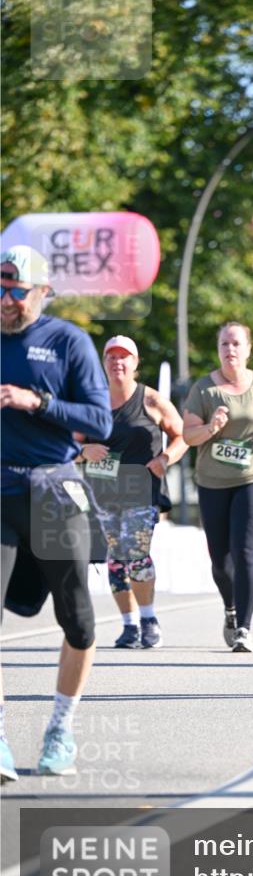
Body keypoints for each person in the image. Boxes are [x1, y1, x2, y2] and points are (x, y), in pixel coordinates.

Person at [1, 245, 112, 780]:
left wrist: (36, 402)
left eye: (17, 290)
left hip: (52, 493)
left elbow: (100, 421)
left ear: (43, 292)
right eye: (0, 288)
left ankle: (60, 730)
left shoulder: (67, 341)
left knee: (79, 621)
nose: (6, 298)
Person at [79, 336, 187, 648]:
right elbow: (68, 445)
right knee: (115, 559)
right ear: (104, 363)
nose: (118, 363)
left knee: (136, 554)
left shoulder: (150, 400)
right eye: (111, 357)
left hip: (142, 492)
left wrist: (166, 458)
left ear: (135, 363)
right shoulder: (92, 402)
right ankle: (128, 625)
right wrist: (85, 449)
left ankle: (149, 619)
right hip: (103, 494)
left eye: (124, 357)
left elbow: (182, 436)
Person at [183, 322, 253, 653]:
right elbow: (188, 437)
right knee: (221, 563)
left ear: (248, 349)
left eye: (237, 343)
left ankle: (244, 629)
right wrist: (211, 427)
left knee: (246, 553)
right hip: (213, 482)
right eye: (224, 343)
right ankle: (231, 609)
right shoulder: (204, 390)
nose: (230, 349)